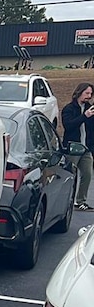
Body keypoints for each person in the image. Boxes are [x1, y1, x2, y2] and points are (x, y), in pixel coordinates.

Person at [61, 82, 94, 211]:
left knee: (87, 174)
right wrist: (84, 116)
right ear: (79, 93)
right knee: (71, 176)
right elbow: (68, 126)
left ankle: (80, 201)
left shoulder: (90, 108)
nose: (89, 96)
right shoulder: (69, 109)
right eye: (87, 93)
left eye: (91, 94)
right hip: (73, 148)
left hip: (86, 148)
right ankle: (66, 201)